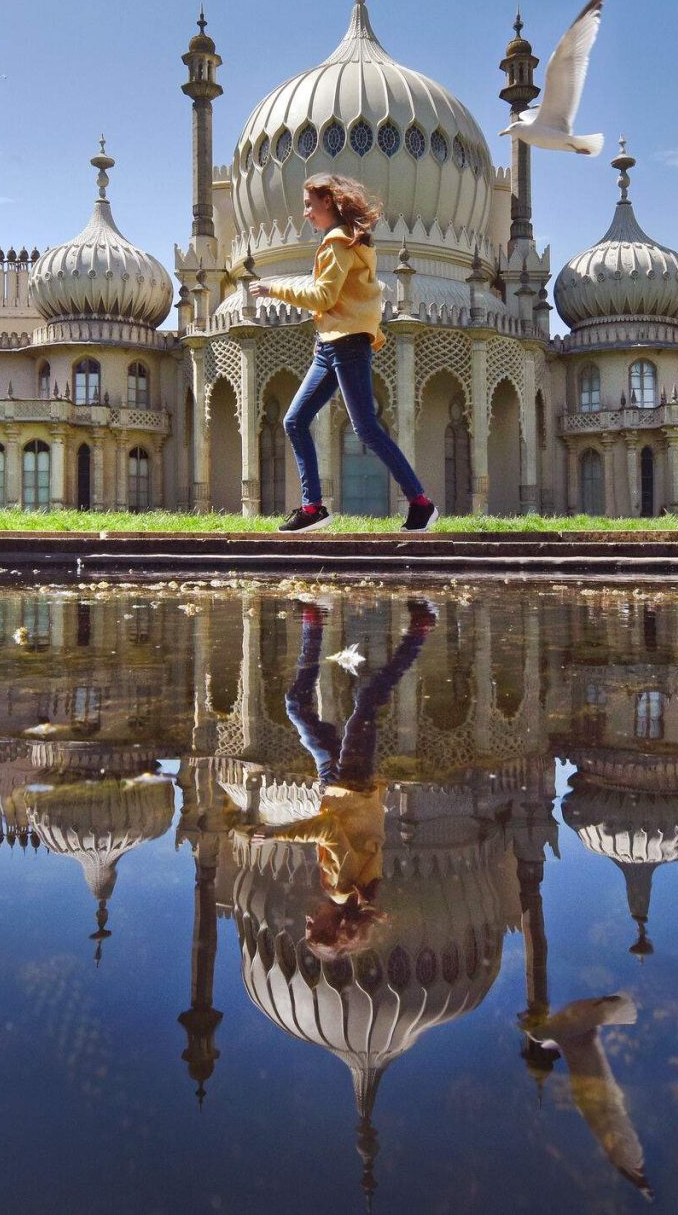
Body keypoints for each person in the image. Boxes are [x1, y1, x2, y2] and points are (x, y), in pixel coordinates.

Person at [244, 172, 437, 533]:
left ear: (328, 203)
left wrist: (273, 289)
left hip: (346, 344)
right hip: (330, 345)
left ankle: (420, 504)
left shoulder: (337, 243)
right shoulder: (351, 240)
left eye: (308, 205)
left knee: (366, 429)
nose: (305, 213)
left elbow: (323, 297)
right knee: (295, 421)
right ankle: (313, 507)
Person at [252, 597, 434, 960]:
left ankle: (314, 621)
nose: (306, 920)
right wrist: (276, 834)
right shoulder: (339, 890)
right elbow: (330, 830)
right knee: (366, 701)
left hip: (338, 785)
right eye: (312, 927)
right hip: (348, 784)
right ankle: (417, 633)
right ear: (332, 925)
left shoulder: (360, 891)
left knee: (298, 708)